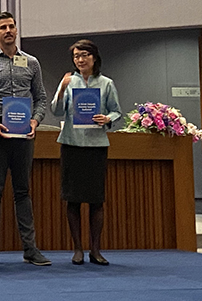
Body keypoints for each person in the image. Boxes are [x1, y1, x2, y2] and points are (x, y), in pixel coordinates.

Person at [0, 11, 51, 267]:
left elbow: (40, 98)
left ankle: (30, 250)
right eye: (3, 27)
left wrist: (35, 121)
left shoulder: (32, 63)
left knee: (23, 191)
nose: (8, 30)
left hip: (24, 136)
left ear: (16, 30)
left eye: (12, 26)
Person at [51, 39, 122, 266]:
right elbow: (55, 110)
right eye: (76, 56)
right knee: (72, 199)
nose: (80, 60)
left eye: (84, 55)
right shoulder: (69, 82)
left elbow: (117, 111)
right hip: (72, 144)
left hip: (96, 146)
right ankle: (77, 249)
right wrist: (61, 88)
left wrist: (107, 118)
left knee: (96, 200)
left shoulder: (107, 83)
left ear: (94, 58)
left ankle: (95, 249)